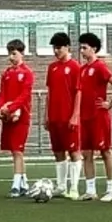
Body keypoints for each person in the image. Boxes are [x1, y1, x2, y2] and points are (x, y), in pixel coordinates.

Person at [77, 32, 112, 201]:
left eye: (85, 47)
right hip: (85, 117)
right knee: (87, 153)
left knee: (105, 151)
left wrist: (109, 104)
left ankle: (111, 190)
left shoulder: (100, 66)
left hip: (98, 116)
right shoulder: (82, 70)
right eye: (81, 48)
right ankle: (91, 190)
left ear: (94, 48)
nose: (82, 51)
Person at [45, 32, 84, 199]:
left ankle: (74, 187)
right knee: (58, 151)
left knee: (74, 151)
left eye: (59, 47)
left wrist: (75, 115)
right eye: (54, 48)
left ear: (67, 47)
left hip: (68, 116)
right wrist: (46, 115)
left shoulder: (75, 67)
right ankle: (61, 186)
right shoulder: (52, 67)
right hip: (54, 116)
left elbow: (78, 92)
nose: (56, 51)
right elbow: (49, 92)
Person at [0, 39, 34, 196]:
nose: (11, 57)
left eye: (14, 54)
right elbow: (2, 93)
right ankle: (24, 183)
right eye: (9, 54)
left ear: (21, 53)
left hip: (21, 116)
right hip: (8, 116)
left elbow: (24, 95)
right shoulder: (6, 73)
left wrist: (12, 108)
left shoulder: (27, 73)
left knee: (18, 150)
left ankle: (16, 185)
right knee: (14, 150)